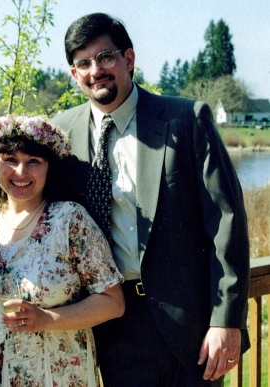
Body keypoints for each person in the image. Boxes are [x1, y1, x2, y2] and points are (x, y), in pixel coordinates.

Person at [51, 12, 250, 387]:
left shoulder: (186, 120)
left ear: (129, 58)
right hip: (112, 325)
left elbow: (227, 223)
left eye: (105, 57)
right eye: (83, 63)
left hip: (192, 326)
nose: (96, 70)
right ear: (74, 74)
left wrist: (227, 320)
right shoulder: (61, 133)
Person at [0, 114, 125, 387]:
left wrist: (47, 319)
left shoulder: (69, 220)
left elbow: (113, 303)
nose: (20, 172)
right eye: (10, 160)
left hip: (58, 374)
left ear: (49, 168)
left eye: (33, 162)